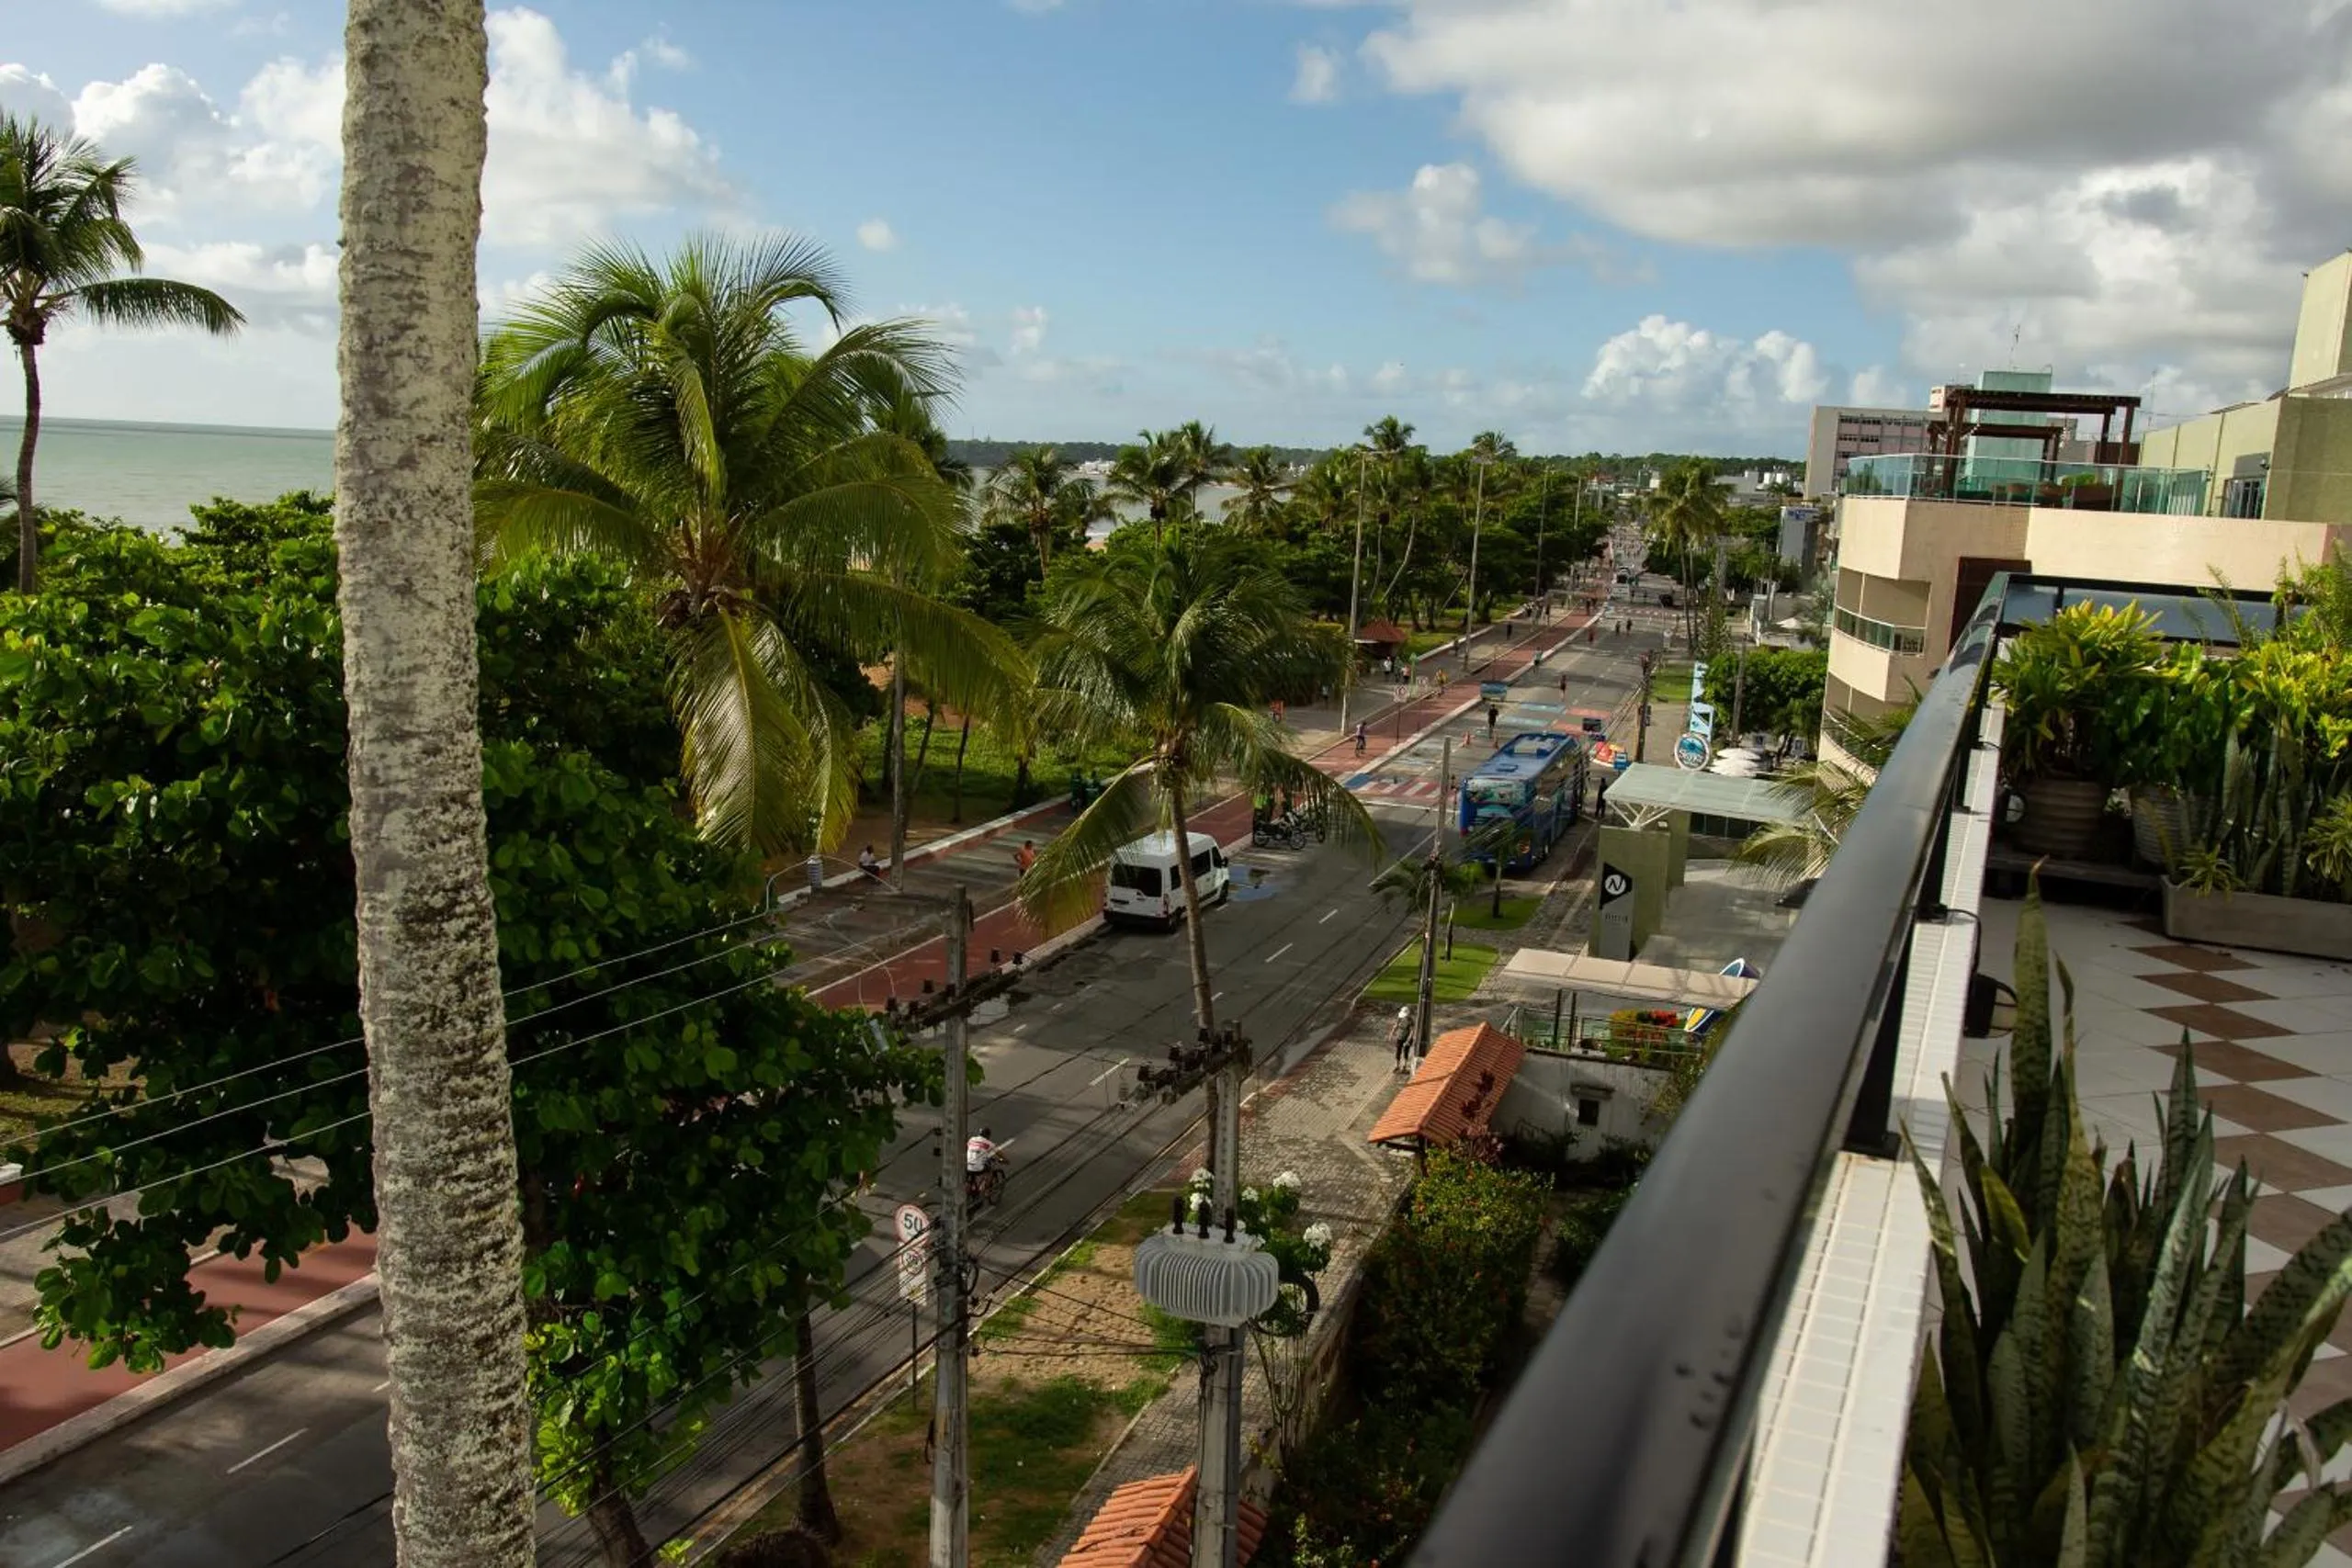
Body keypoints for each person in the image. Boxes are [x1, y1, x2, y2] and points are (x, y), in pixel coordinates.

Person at [1387, 1006, 1414, 1072]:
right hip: (1400, 1037)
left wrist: (1408, 1040)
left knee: (1406, 1052)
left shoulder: (1410, 1021)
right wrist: (1391, 1033)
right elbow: (1396, 1025)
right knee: (1398, 1051)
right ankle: (1397, 1066)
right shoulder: (1400, 1018)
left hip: (1407, 1038)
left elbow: (1412, 1031)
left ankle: (1404, 1066)